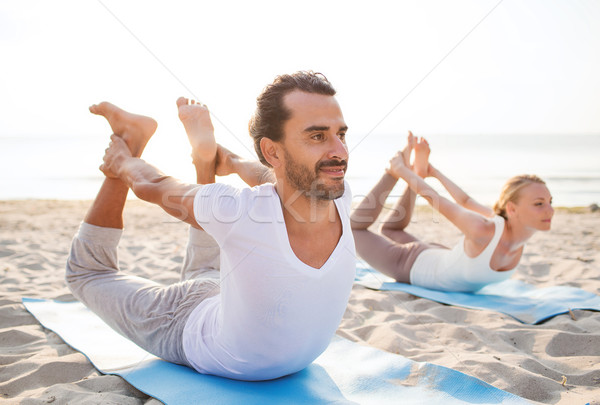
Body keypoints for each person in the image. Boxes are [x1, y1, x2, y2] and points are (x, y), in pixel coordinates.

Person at [65, 71, 356, 381]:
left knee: (215, 239)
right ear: (272, 151)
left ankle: (205, 160)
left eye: (341, 134)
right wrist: (121, 162)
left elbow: (273, 176)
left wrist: (228, 160)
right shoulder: (248, 210)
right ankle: (134, 138)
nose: (340, 151)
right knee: (86, 273)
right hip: (181, 318)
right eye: (317, 136)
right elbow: (150, 184)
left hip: (222, 296)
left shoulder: (334, 192)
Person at [350, 132, 554, 292]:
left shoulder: (506, 224)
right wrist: (401, 171)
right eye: (539, 203)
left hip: (436, 255)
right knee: (354, 230)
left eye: (550, 202)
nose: (550, 210)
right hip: (408, 264)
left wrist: (433, 173)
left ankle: (414, 171)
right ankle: (391, 170)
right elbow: (435, 199)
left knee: (390, 230)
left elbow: (466, 201)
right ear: (512, 209)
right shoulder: (482, 230)